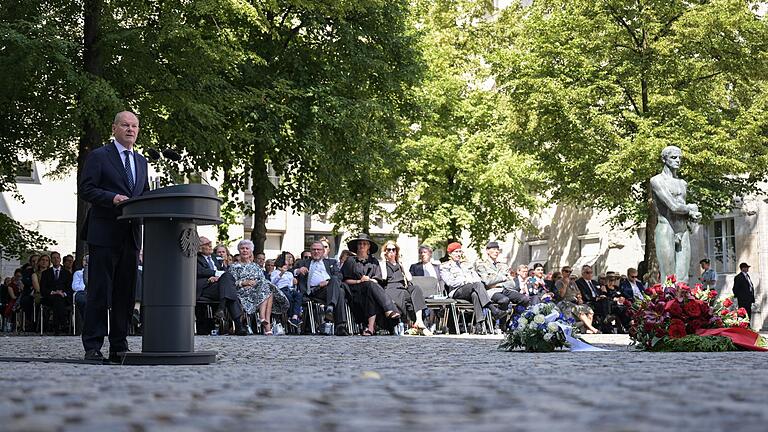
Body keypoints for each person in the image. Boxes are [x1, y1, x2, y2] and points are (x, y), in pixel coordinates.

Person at [79, 110, 150, 361]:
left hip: (130, 236)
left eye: (135, 126)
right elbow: (86, 189)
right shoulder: (99, 156)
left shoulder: (141, 162)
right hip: (104, 233)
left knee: (125, 293)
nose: (131, 129)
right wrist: (112, 198)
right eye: (125, 125)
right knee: (99, 291)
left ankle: (119, 345)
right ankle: (93, 346)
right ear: (114, 128)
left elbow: (145, 196)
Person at [651, 145, 702, 282]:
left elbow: (682, 207)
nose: (678, 160)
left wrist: (693, 214)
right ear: (664, 159)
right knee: (669, 278)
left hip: (682, 229)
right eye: (674, 157)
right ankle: (667, 304)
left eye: (679, 158)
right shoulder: (657, 180)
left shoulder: (682, 183)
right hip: (666, 228)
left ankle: (685, 304)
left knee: (683, 278)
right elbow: (673, 206)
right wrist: (691, 208)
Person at [342, 233, 400, 336]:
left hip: (370, 291)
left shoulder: (373, 261)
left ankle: (370, 328)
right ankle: (389, 309)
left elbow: (377, 279)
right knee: (369, 287)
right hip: (354, 291)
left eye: (365, 244)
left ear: (369, 246)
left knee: (370, 288)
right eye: (360, 243)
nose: (362, 246)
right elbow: (345, 280)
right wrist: (360, 281)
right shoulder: (350, 261)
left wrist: (368, 280)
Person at [440, 242, 504, 334]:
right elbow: (450, 282)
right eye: (456, 252)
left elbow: (477, 278)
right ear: (450, 254)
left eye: (460, 252)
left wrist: (470, 282)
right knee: (477, 285)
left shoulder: (466, 265)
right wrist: (466, 281)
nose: (458, 254)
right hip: (456, 291)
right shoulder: (445, 266)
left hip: (471, 290)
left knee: (475, 294)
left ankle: (479, 324)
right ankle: (493, 309)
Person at [229, 239, 289, 335]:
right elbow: (231, 283)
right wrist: (245, 283)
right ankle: (266, 325)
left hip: (257, 292)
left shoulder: (256, 266)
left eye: (247, 248)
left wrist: (255, 284)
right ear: (239, 251)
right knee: (268, 291)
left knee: (266, 287)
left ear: (250, 251)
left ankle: (263, 318)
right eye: (242, 248)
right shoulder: (234, 267)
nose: (244, 250)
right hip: (243, 293)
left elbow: (262, 280)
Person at [294, 241, 350, 335]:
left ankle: (331, 307)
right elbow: (289, 270)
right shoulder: (303, 262)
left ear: (323, 251)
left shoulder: (331, 262)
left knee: (338, 285)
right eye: (314, 249)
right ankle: (340, 325)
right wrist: (298, 270)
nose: (316, 251)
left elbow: (340, 276)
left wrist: (327, 282)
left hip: (329, 289)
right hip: (313, 291)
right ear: (311, 251)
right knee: (339, 291)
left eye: (318, 249)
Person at [196, 236, 246, 335]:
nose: (210, 246)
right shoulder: (196, 258)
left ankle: (221, 308)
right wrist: (215, 275)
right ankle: (238, 325)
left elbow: (224, 273)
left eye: (210, 243)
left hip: (219, 286)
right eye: (207, 244)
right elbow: (199, 271)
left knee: (227, 282)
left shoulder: (215, 258)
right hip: (206, 287)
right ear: (200, 247)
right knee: (230, 292)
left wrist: (218, 277)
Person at [380, 240, 430, 334]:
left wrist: (403, 266)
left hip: (403, 287)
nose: (391, 252)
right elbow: (384, 277)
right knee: (402, 295)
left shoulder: (400, 264)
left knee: (416, 289)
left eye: (393, 249)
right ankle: (405, 323)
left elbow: (409, 278)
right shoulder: (383, 264)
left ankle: (419, 320)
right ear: (385, 251)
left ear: (396, 251)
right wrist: (383, 260)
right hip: (391, 287)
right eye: (388, 249)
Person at [474, 241, 529, 313]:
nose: (496, 251)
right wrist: (503, 278)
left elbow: (512, 284)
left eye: (497, 249)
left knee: (525, 299)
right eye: (493, 249)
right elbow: (487, 282)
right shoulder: (481, 265)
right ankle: (499, 323)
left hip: (504, 289)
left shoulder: (503, 266)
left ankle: (512, 319)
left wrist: (498, 284)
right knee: (504, 300)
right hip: (491, 292)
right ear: (487, 251)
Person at [556, 266, 600, 334]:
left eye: (570, 272)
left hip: (575, 301)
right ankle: (593, 329)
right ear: (562, 272)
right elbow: (561, 295)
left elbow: (578, 292)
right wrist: (565, 284)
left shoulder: (573, 282)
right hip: (565, 302)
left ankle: (587, 328)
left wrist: (579, 298)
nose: (568, 273)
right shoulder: (559, 282)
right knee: (579, 311)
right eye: (566, 271)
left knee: (590, 311)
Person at [40, 251, 74, 334]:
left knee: (59, 299)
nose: (56, 260)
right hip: (50, 297)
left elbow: (70, 288)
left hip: (64, 297)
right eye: (54, 258)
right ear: (51, 260)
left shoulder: (67, 273)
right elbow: (43, 288)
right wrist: (53, 292)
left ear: (60, 259)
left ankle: (57, 326)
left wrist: (63, 293)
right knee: (57, 299)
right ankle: (63, 324)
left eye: (57, 258)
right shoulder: (45, 273)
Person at [272, 252, 302, 329]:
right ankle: (291, 316)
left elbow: (290, 284)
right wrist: (281, 273)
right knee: (288, 296)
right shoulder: (275, 272)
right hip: (280, 290)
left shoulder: (289, 274)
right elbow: (273, 282)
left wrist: (294, 282)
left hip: (289, 289)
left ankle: (295, 316)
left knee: (298, 295)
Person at [71, 255, 89, 323]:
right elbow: (74, 286)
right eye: (85, 260)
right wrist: (85, 288)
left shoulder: (98, 273)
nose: (86, 262)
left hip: (94, 293)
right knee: (82, 300)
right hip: (82, 292)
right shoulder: (78, 273)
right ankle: (86, 323)